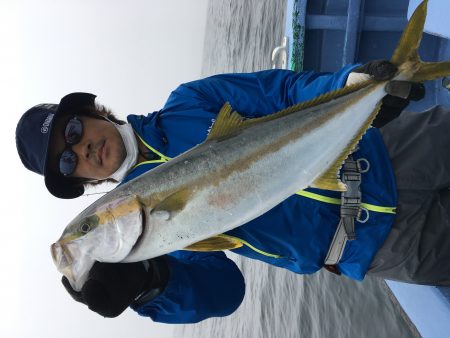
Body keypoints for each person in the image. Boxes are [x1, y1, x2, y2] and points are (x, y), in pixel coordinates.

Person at [17, 60, 441, 323]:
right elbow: (224, 293)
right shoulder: (150, 244)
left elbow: (283, 93)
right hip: (377, 245)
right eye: (68, 161)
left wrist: (352, 84)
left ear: (89, 112)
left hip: (390, 150)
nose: (83, 148)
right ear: (80, 182)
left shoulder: (190, 100)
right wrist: (150, 283)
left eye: (73, 131)